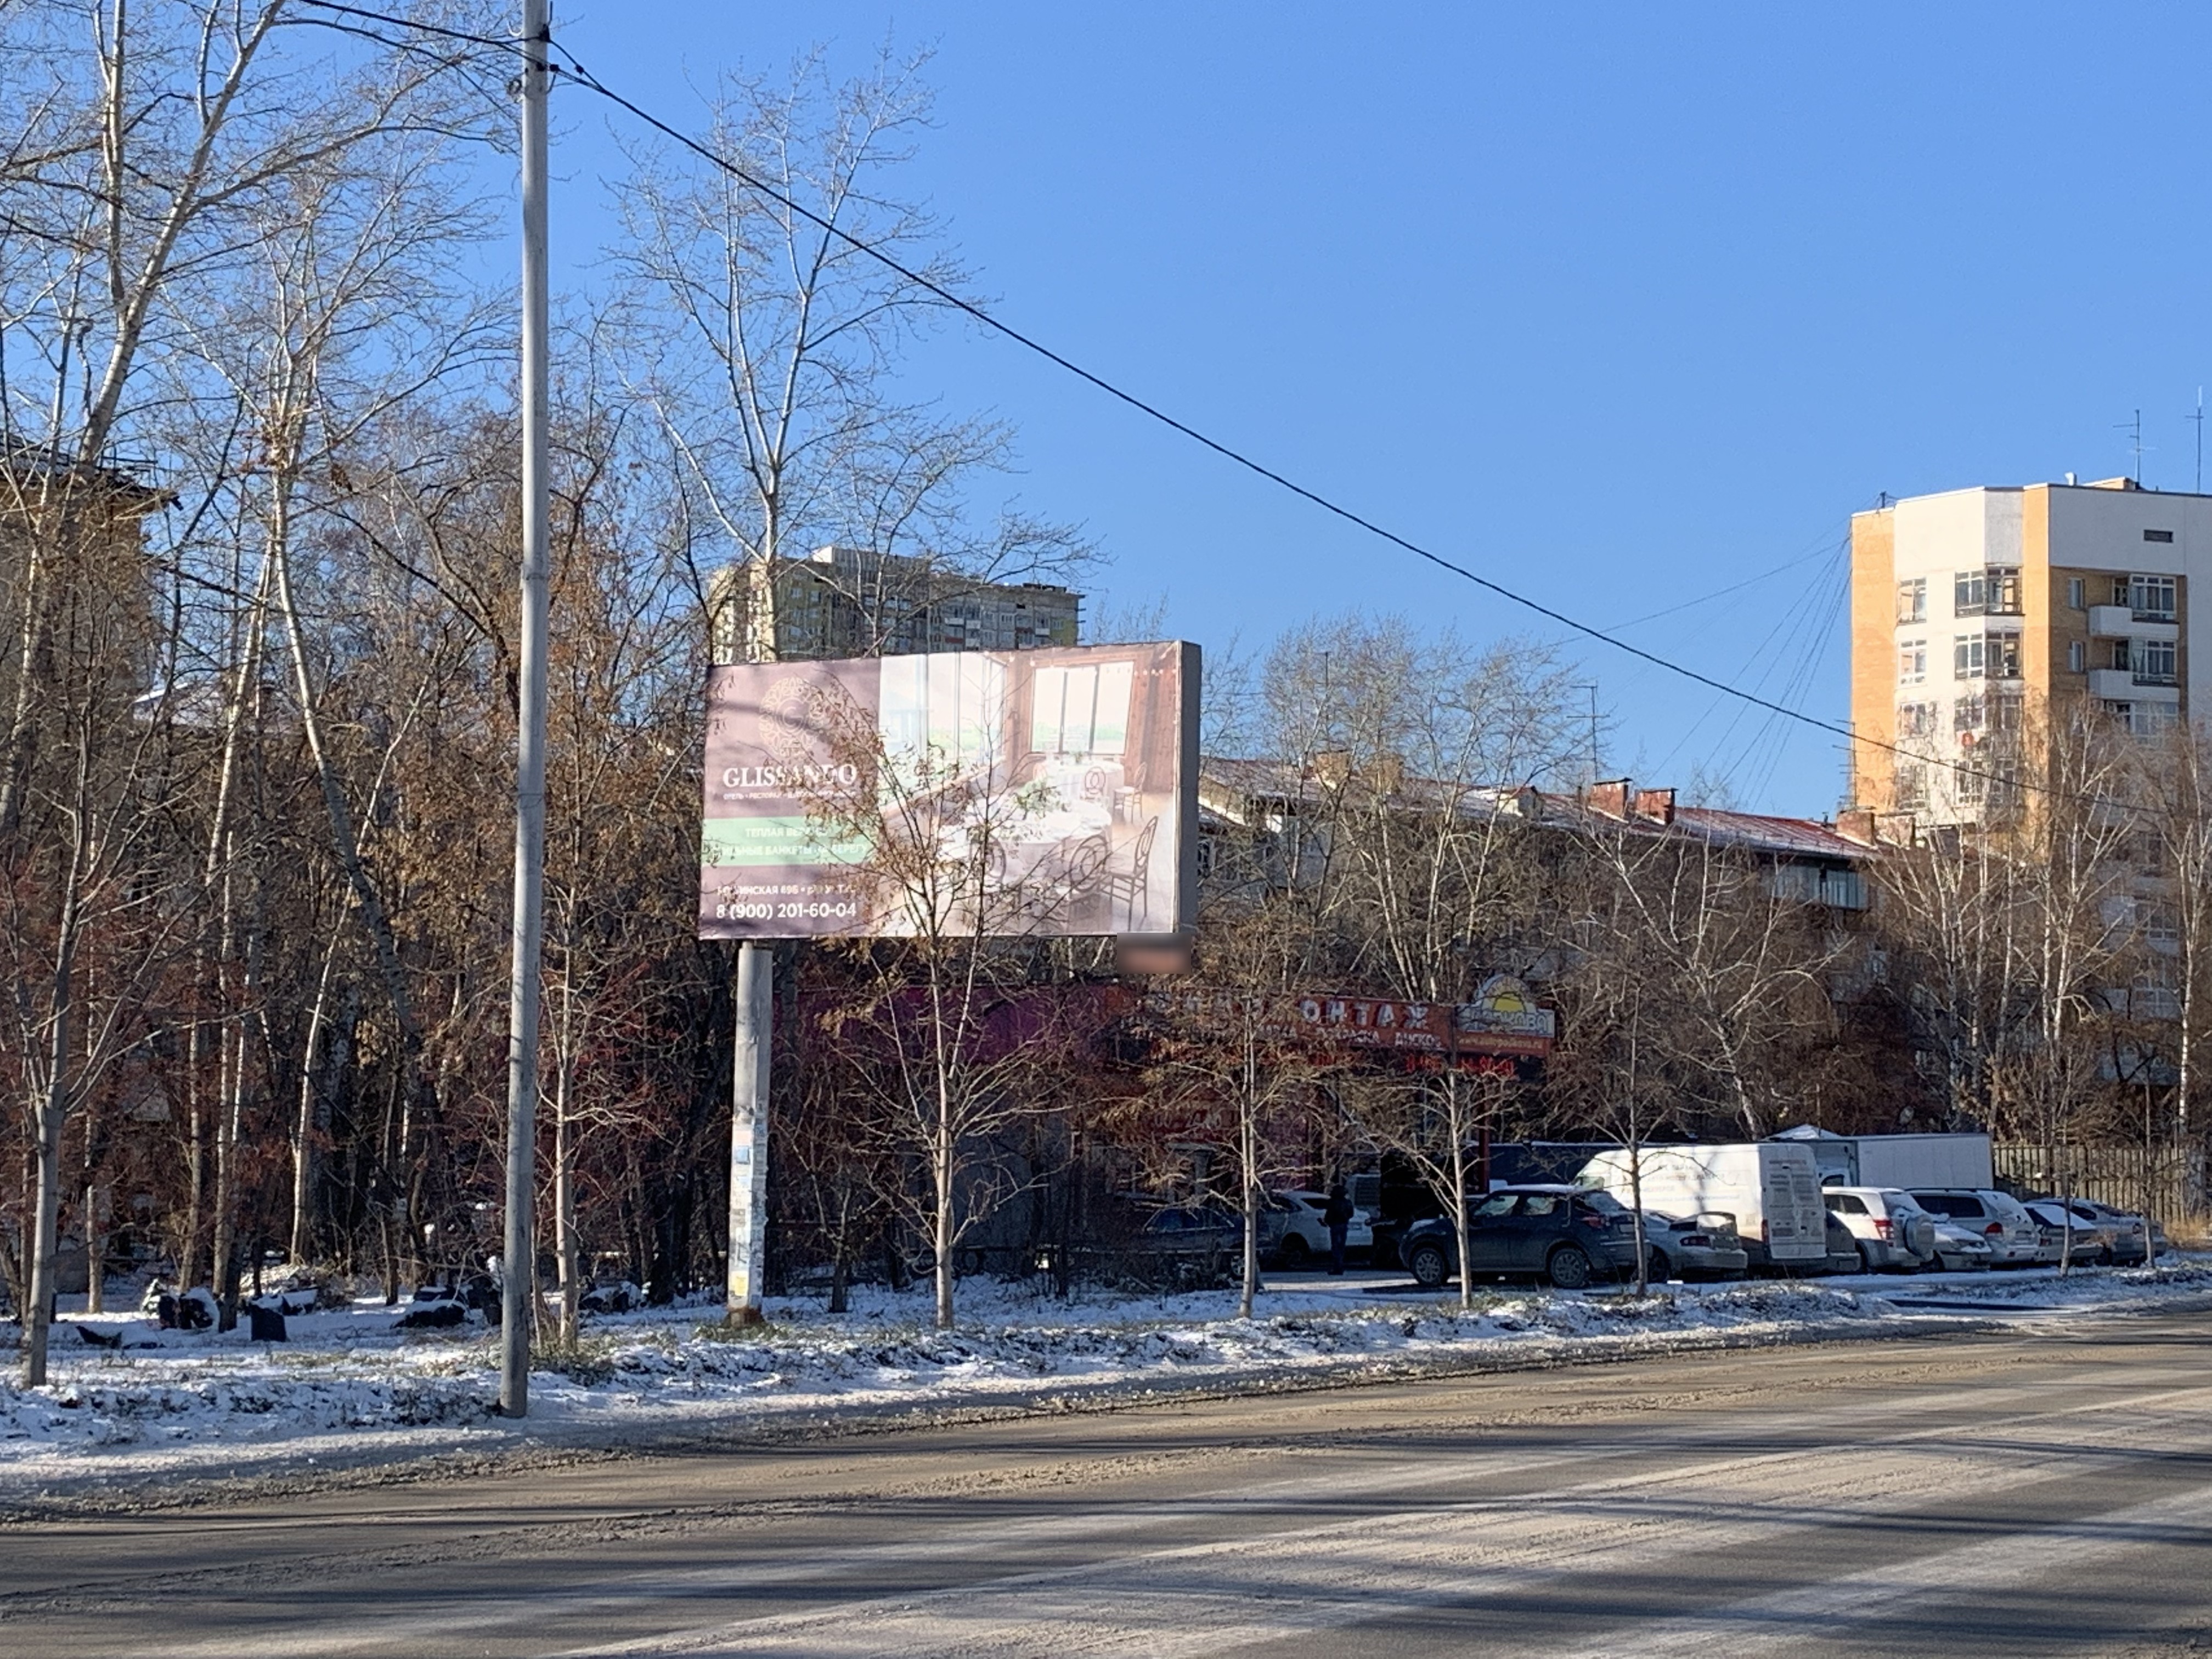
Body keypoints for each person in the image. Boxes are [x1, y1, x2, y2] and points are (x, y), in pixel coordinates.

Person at [1323, 1181, 1356, 1276]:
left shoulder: (1333, 1202)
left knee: (1336, 1247)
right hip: (1344, 1225)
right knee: (1341, 1247)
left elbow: (1329, 1214)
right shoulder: (1347, 1203)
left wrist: (1328, 1221)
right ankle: (1339, 1267)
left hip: (1335, 1225)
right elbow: (1351, 1214)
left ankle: (1337, 1267)